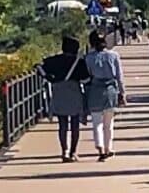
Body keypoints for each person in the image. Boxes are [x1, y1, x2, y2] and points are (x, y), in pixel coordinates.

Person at [39, 35, 88, 161]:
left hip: (59, 93)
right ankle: (73, 152)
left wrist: (49, 77)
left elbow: (39, 67)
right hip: (74, 92)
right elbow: (86, 79)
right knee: (75, 124)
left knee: (62, 124)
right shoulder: (79, 62)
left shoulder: (53, 60)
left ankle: (64, 151)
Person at [82, 28, 125, 159]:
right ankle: (108, 147)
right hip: (111, 90)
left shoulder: (88, 58)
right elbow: (119, 76)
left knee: (97, 122)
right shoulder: (114, 55)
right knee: (109, 122)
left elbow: (87, 77)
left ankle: (100, 147)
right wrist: (122, 93)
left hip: (95, 90)